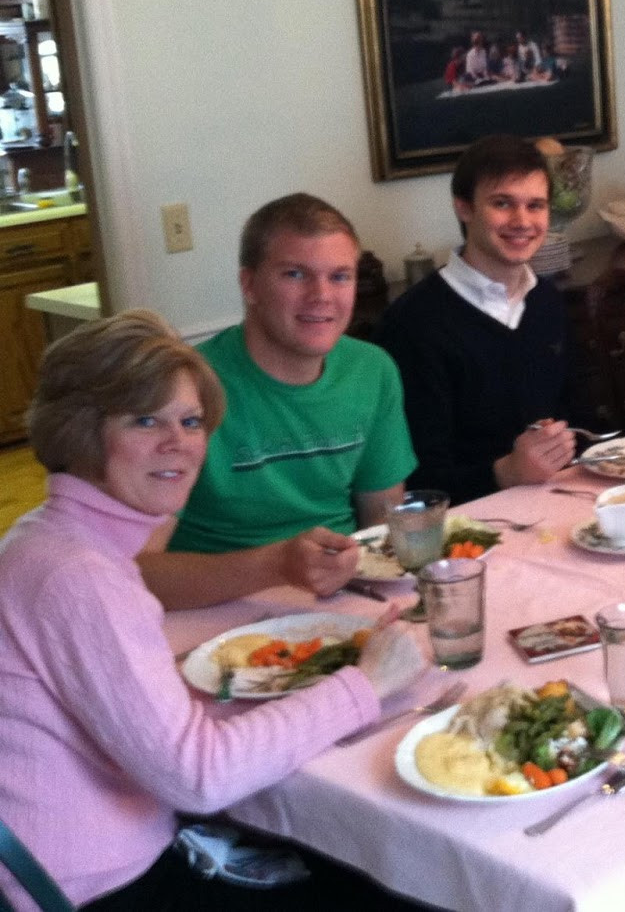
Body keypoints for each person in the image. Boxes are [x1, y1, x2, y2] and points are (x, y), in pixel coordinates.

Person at [0, 311, 429, 909]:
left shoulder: (45, 537)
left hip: (103, 851)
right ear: (80, 431)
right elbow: (199, 777)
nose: (177, 442)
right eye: (144, 419)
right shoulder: (79, 575)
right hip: (91, 885)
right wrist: (366, 684)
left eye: (191, 421)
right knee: (390, 887)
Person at [146, 194, 417, 611]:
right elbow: (139, 571)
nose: (321, 295)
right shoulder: (184, 388)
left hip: (338, 599)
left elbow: (382, 524)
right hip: (214, 614)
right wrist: (276, 566)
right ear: (249, 284)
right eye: (295, 274)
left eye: (340, 276)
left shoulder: (373, 370)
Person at [377, 134, 579, 504]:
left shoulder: (547, 301)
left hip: (560, 504)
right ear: (464, 208)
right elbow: (417, 486)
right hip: (471, 531)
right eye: (502, 203)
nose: (522, 221)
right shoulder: (414, 323)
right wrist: (507, 472)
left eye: (536, 206)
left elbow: (577, 421)